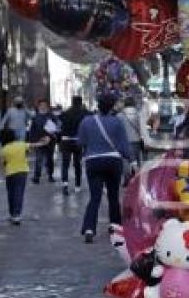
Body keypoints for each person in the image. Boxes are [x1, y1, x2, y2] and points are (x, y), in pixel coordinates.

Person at [78, 94, 133, 243]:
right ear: (111, 106)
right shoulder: (117, 122)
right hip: (113, 161)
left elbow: (81, 142)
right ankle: (115, 227)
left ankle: (89, 228)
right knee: (113, 196)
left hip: (93, 161)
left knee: (95, 196)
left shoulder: (86, 121)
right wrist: (131, 160)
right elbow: (123, 145)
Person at [0, 128, 50, 224]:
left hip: (9, 173)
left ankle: (12, 214)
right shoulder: (21, 145)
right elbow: (36, 145)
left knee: (11, 194)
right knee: (19, 193)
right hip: (22, 172)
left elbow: (1, 164)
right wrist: (44, 141)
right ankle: (17, 215)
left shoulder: (4, 150)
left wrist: (2, 174)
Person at [60, 96, 89, 195]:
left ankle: (65, 184)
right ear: (81, 102)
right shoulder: (84, 114)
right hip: (78, 141)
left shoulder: (65, 113)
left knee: (65, 164)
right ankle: (77, 185)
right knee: (77, 164)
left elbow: (59, 125)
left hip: (66, 141)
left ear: (72, 102)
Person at [28, 99, 57, 183]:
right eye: (41, 105)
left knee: (49, 159)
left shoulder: (51, 116)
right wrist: (32, 142)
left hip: (50, 141)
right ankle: (37, 177)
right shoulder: (35, 117)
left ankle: (50, 175)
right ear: (39, 106)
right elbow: (32, 130)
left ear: (47, 106)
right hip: (39, 142)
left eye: (45, 105)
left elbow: (56, 128)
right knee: (39, 159)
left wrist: (50, 137)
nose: (43, 107)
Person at [118, 97, 144, 166]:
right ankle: (136, 175)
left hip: (124, 141)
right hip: (136, 140)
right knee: (136, 160)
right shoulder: (138, 114)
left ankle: (127, 175)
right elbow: (141, 128)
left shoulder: (119, 116)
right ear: (134, 104)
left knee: (126, 161)